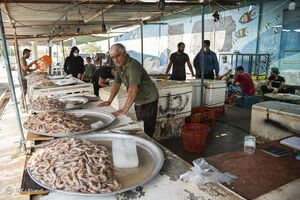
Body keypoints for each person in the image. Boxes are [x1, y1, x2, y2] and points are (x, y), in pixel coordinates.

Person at [97, 43, 159, 137]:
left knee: (147, 129)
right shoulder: (119, 66)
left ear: (124, 53)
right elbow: (116, 83)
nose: (115, 60)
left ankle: (150, 146)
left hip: (148, 99)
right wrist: (109, 101)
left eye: (117, 56)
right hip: (139, 100)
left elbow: (133, 89)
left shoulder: (132, 66)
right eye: (113, 57)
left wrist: (124, 110)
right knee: (141, 124)